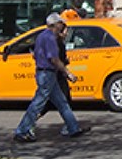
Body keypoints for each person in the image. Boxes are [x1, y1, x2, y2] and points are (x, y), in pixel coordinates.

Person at [13, 11, 87, 142]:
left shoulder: (41, 36)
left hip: (44, 72)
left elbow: (36, 55)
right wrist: (67, 72)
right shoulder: (50, 38)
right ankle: (22, 130)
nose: (62, 26)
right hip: (47, 73)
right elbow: (54, 59)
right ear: (54, 24)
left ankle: (73, 128)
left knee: (61, 102)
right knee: (38, 103)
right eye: (60, 23)